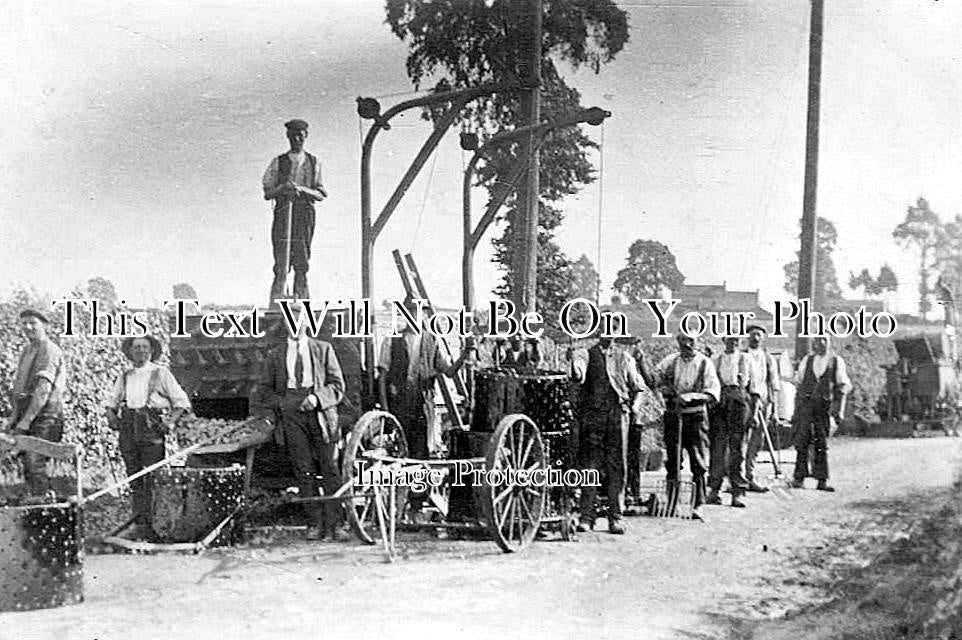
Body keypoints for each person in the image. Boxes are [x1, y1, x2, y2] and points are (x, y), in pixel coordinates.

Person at [254, 322, 345, 541]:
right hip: (292, 415)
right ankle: (314, 523)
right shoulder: (276, 355)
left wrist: (316, 398)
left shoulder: (323, 349)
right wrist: (283, 403)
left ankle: (337, 524)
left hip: (321, 414)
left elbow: (338, 386)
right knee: (303, 469)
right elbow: (265, 390)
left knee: (330, 468)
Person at [106, 335, 190, 540]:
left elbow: (182, 402)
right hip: (128, 429)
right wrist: (111, 415)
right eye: (137, 348)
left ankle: (157, 526)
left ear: (151, 351)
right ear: (130, 352)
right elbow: (112, 402)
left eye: (145, 347)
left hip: (151, 430)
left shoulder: (161, 374)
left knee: (154, 477)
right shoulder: (125, 376)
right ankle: (139, 523)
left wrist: (169, 422)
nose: (141, 351)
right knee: (134, 476)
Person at [377, 297, 475, 459]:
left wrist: (464, 354)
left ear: (423, 315)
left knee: (422, 450)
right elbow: (382, 377)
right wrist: (385, 408)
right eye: (411, 311)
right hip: (399, 404)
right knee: (400, 450)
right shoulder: (391, 340)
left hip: (423, 404)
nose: (415, 315)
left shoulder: (431, 340)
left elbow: (449, 372)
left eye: (418, 311)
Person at [570, 335, 648, 534]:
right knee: (590, 466)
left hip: (617, 415)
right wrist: (575, 369)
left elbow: (639, 388)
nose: (608, 333)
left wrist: (634, 408)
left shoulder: (625, 358)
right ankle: (587, 516)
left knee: (617, 466)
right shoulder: (585, 354)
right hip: (593, 417)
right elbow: (579, 372)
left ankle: (616, 517)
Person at [3, 309, 67, 499]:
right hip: (26, 411)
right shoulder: (27, 350)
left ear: (44, 325)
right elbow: (19, 389)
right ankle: (37, 502)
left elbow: (43, 391)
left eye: (33, 323)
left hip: (46, 414)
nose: (28, 327)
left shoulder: (49, 350)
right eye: (24, 323)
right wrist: (15, 417)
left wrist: (26, 421)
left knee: (35, 460)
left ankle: (46, 509)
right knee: (26, 460)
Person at [656, 333, 721, 520]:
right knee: (673, 462)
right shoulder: (671, 361)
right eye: (683, 340)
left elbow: (713, 393)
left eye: (691, 341)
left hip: (696, 417)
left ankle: (698, 504)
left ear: (697, 342)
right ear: (677, 342)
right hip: (674, 416)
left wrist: (692, 396)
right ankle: (672, 502)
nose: (687, 344)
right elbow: (655, 379)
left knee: (698, 462)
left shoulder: (704, 363)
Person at [262, 118, 327, 302]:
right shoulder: (278, 162)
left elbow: (321, 194)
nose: (296, 139)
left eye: (300, 135)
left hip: (304, 214)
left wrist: (301, 189)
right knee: (281, 260)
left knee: (301, 259)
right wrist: (283, 188)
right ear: (287, 136)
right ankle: (276, 301)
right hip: (283, 212)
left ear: (305, 136)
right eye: (293, 135)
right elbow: (267, 193)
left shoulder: (314, 162)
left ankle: (302, 300)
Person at [791, 335, 851, 491]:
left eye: (825, 339)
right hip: (806, 406)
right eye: (818, 340)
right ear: (814, 343)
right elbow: (798, 383)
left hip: (824, 408)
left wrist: (840, 410)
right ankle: (799, 478)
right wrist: (796, 409)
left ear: (829, 342)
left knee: (821, 443)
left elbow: (843, 387)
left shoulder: (836, 361)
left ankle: (821, 480)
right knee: (802, 440)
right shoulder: (807, 360)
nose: (822, 343)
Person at [707, 336, 750, 508]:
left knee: (736, 449)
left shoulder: (745, 359)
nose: (733, 343)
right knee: (717, 448)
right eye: (730, 340)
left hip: (738, 403)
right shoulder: (716, 359)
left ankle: (737, 492)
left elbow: (751, 386)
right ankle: (714, 490)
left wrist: (753, 412)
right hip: (720, 403)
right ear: (724, 341)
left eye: (736, 340)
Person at [743, 325, 781, 493]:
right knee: (740, 440)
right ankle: (736, 479)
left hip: (764, 403)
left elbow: (774, 385)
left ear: (763, 338)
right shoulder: (742, 355)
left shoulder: (768, 359)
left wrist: (774, 410)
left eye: (759, 335)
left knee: (756, 441)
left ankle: (749, 476)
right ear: (748, 337)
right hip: (744, 403)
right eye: (753, 335)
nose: (756, 338)